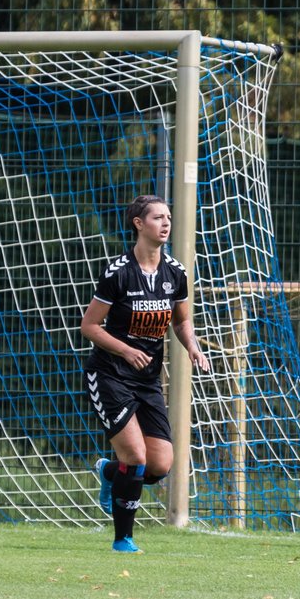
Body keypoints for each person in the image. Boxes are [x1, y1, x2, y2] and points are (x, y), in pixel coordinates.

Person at [82, 195, 209, 553]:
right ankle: (123, 539)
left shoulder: (176, 273)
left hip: (147, 379)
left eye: (169, 217)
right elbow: (89, 326)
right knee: (135, 457)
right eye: (157, 217)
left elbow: (182, 321)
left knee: (160, 465)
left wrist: (193, 347)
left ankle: (109, 472)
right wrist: (124, 349)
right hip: (109, 374)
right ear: (139, 224)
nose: (166, 223)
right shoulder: (118, 272)